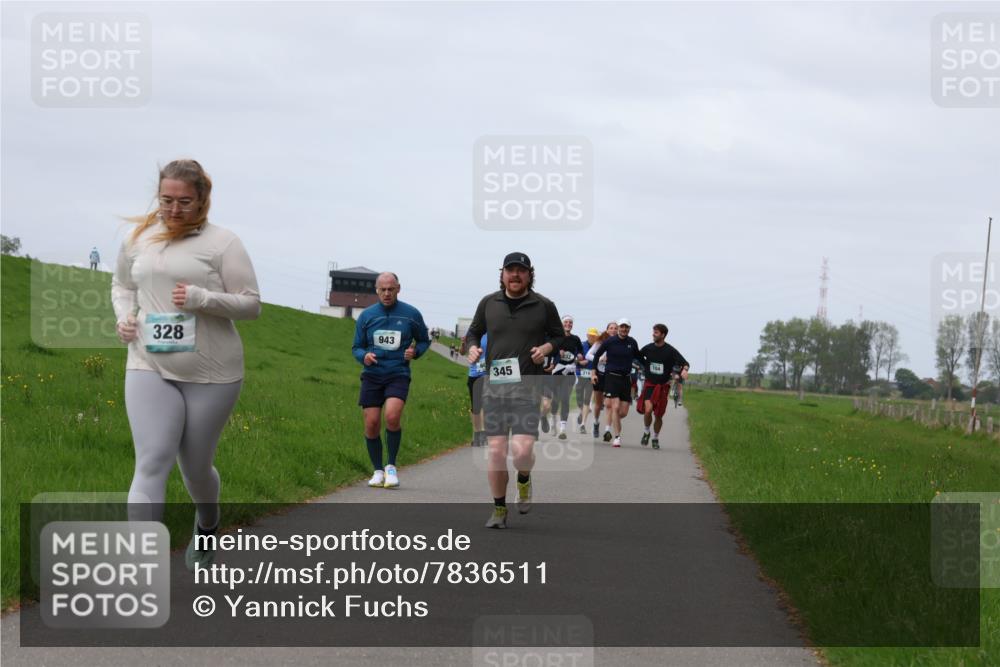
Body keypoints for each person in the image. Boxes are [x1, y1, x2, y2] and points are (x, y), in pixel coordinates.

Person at [112, 159, 261, 571]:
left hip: (211, 374)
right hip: (147, 362)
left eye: (184, 201)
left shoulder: (223, 243)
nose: (173, 210)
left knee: (194, 468)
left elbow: (251, 305)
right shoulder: (138, 237)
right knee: (152, 460)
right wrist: (124, 317)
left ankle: (208, 524)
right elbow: (123, 286)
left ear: (202, 200)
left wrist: (202, 299)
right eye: (166, 200)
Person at [465, 252, 565, 529]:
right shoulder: (489, 303)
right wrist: (473, 347)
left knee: (522, 452)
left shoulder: (544, 305)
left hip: (528, 388)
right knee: (496, 451)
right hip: (495, 388)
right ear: (503, 274)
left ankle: (523, 477)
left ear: (530, 274)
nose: (515, 275)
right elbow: (473, 332)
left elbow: (559, 336)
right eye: (510, 270)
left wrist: (546, 349)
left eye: (521, 271)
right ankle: (499, 509)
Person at [352, 272, 431, 489]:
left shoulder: (411, 314)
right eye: (383, 289)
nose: (387, 293)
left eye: (391, 289)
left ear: (398, 288)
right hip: (373, 374)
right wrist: (363, 356)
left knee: (392, 416)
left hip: (398, 373)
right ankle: (377, 470)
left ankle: (391, 467)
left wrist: (414, 352)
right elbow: (356, 347)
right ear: (376, 290)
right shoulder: (367, 316)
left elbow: (424, 340)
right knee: (371, 423)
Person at [590, 318, 641, 447]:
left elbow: (639, 357)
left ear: (629, 329)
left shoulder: (632, 342)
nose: (624, 329)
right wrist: (593, 372)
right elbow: (596, 356)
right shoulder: (610, 341)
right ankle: (617, 437)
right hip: (612, 377)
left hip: (626, 379)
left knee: (622, 412)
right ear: (619, 328)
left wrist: (648, 365)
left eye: (626, 327)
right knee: (615, 407)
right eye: (622, 327)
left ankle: (611, 423)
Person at [637, 324, 690, 449]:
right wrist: (642, 365)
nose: (653, 334)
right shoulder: (648, 348)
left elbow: (685, 363)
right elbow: (637, 357)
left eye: (656, 332)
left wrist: (685, 370)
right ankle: (646, 431)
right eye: (653, 332)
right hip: (650, 384)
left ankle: (655, 437)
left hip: (663, 387)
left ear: (663, 335)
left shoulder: (670, 350)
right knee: (648, 410)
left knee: (659, 415)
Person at [548, 315, 584, 439]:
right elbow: (549, 350)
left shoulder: (575, 339)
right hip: (557, 372)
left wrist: (579, 355)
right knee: (556, 399)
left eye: (570, 322)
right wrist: (557, 352)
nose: (568, 324)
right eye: (566, 322)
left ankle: (563, 429)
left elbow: (580, 351)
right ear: (562, 324)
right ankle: (553, 421)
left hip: (569, 373)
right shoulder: (556, 338)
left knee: (565, 398)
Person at [585, 321, 618, 439]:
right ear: (607, 330)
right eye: (611, 328)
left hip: (612, 375)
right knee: (598, 404)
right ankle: (596, 422)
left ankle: (607, 430)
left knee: (608, 403)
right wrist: (600, 359)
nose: (613, 330)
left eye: (615, 328)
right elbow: (588, 355)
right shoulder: (600, 342)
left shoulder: (620, 343)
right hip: (599, 374)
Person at [575, 327, 599, 433]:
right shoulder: (581, 345)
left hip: (591, 375)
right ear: (587, 335)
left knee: (587, 399)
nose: (592, 337)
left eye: (594, 336)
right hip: (580, 374)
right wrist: (579, 363)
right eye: (590, 335)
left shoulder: (598, 347)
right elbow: (574, 358)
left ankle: (583, 424)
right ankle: (581, 412)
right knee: (579, 397)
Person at [467, 333, 488, 446]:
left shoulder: (494, 329)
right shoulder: (473, 332)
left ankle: (484, 433)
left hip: (489, 373)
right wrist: (463, 345)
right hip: (474, 373)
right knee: (475, 407)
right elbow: (463, 351)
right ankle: (477, 434)